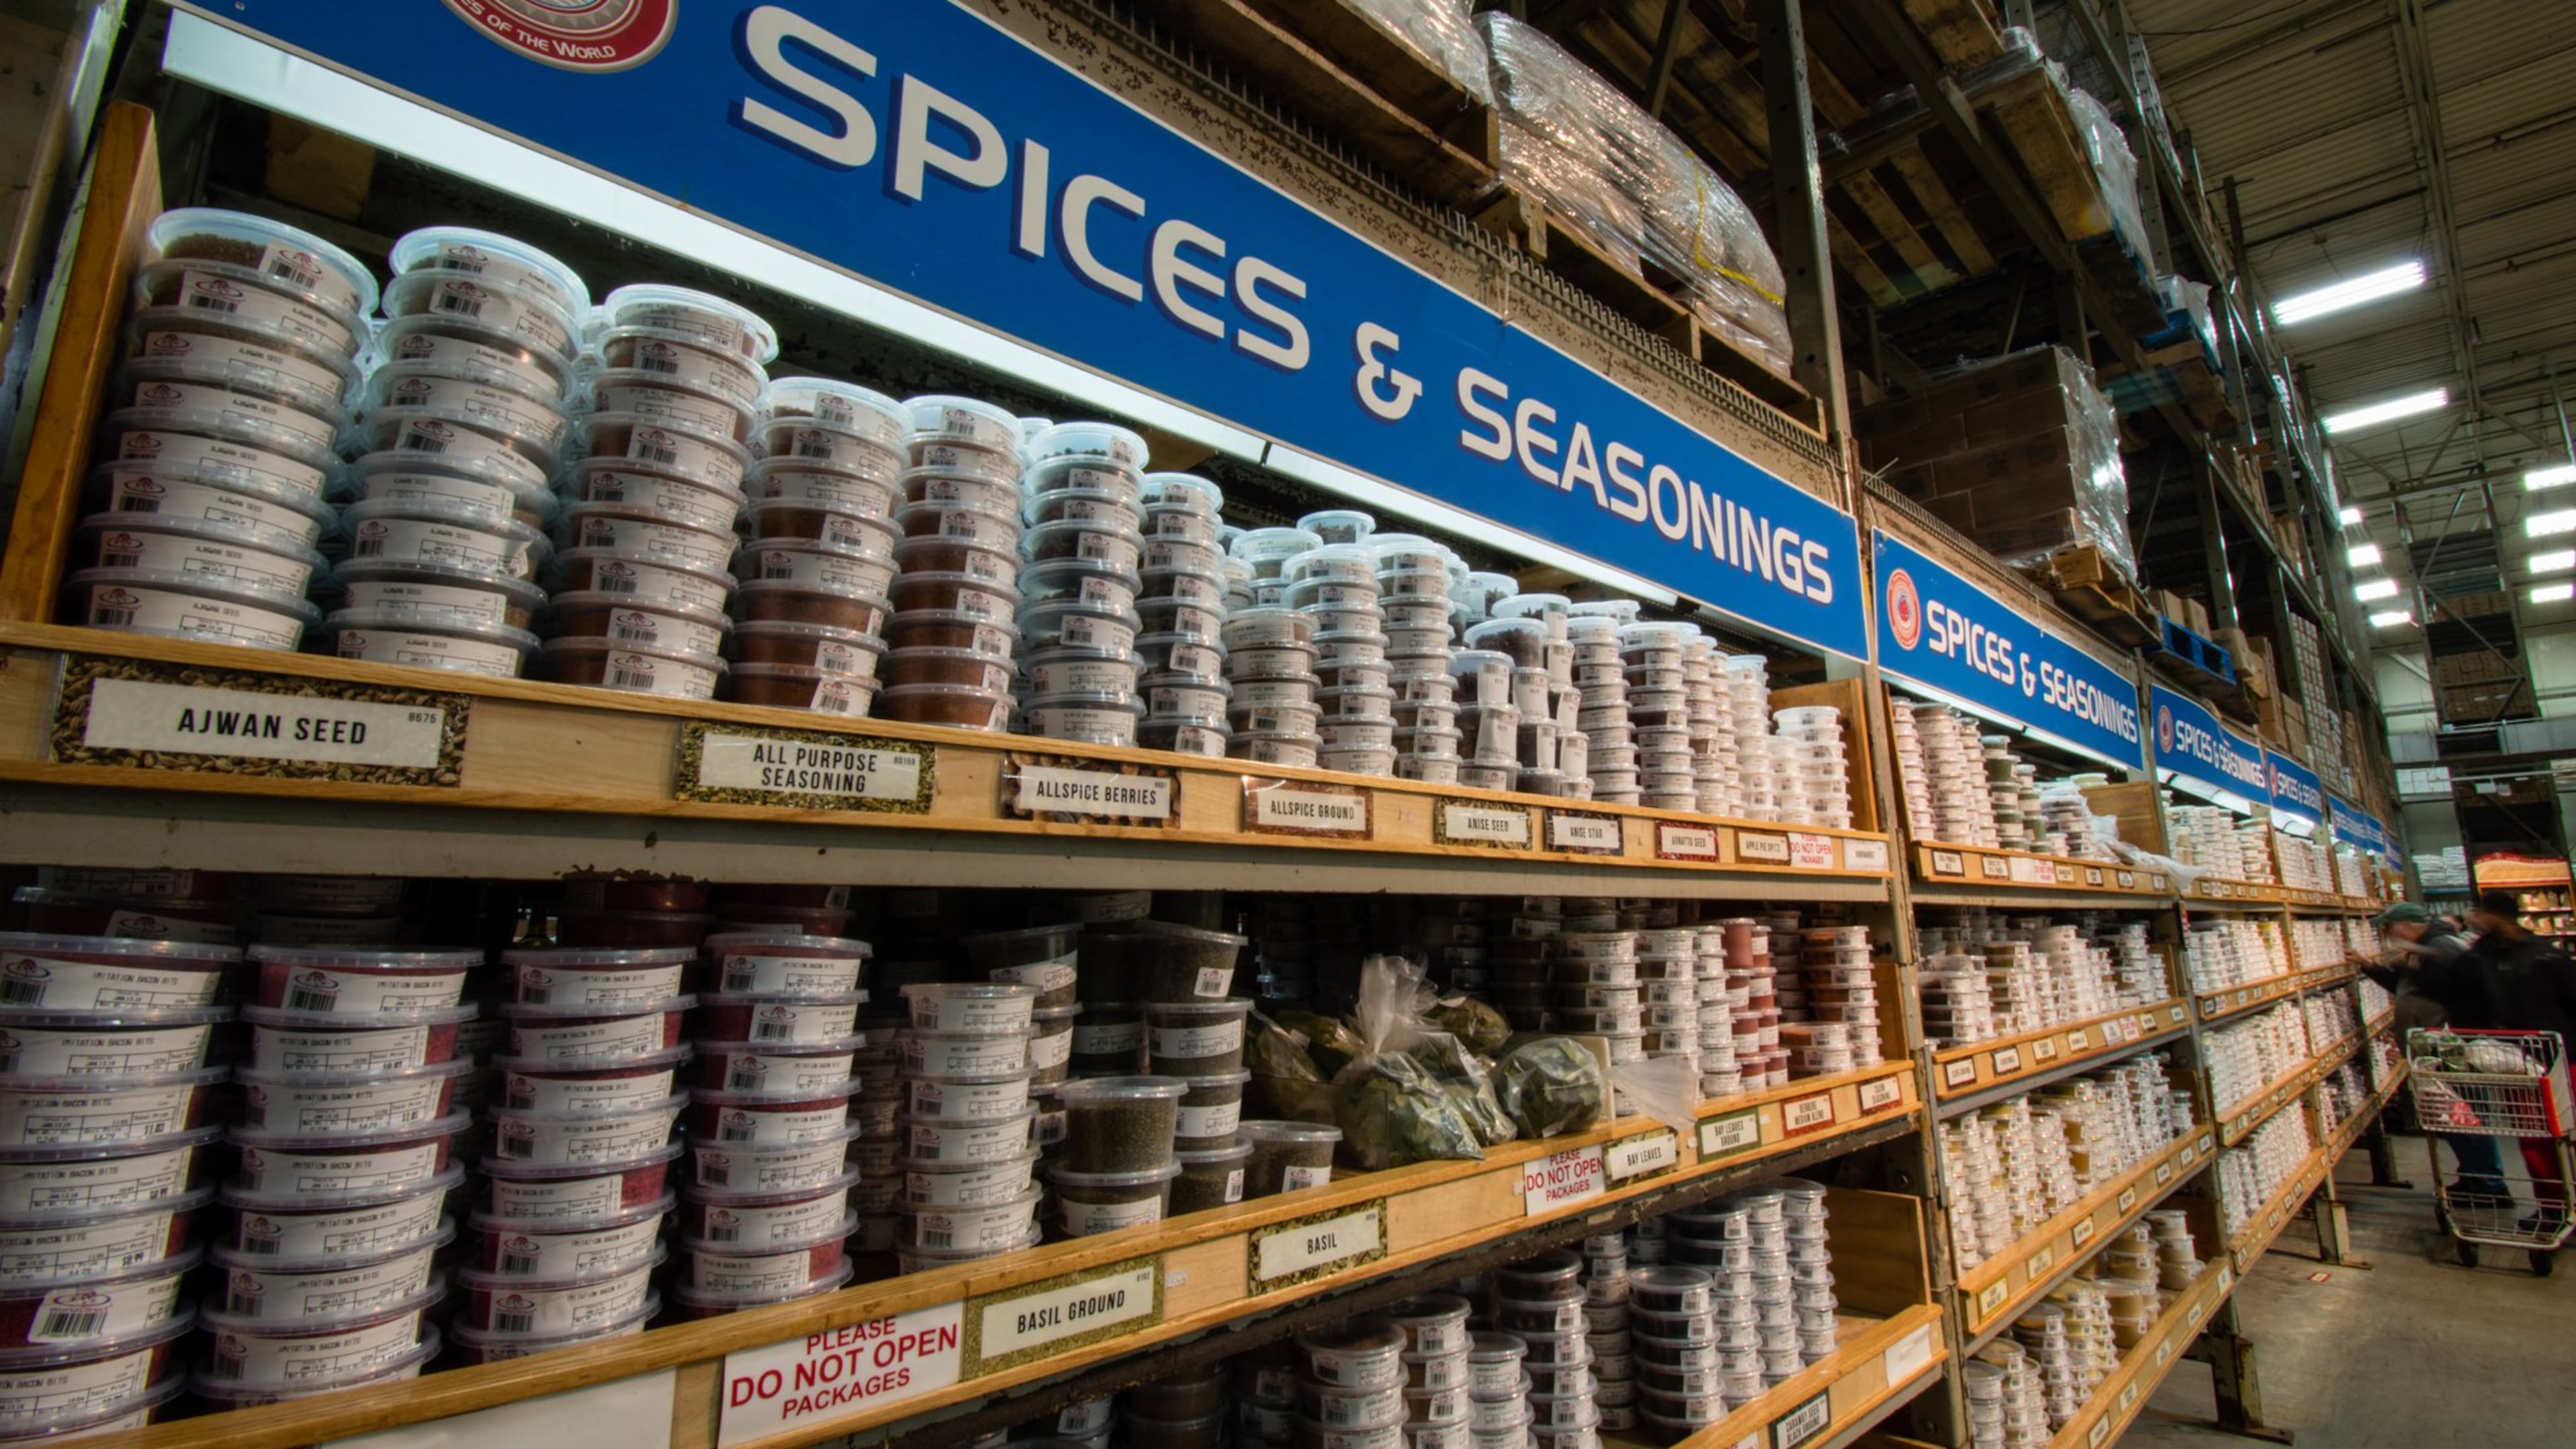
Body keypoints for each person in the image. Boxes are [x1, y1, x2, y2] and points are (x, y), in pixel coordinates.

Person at [2357, 902, 2510, 1200]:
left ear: (2405, 925)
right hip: (2439, 1046)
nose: (2386, 934)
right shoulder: (2428, 948)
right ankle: (2477, 1177)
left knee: (2464, 1114)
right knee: (2454, 1114)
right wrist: (2370, 966)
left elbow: (2466, 993)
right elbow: (2406, 986)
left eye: (2388, 928)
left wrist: (2454, 1035)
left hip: (2451, 1049)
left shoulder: (2440, 948)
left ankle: (2488, 1183)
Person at [2460, 892, 2576, 1228]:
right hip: (2515, 1062)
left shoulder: (2545, 956)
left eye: (2479, 912)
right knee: (2534, 1139)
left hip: (2561, 1056)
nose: (2473, 917)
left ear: (2497, 916)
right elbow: (2462, 998)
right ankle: (2553, 1208)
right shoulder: (2477, 957)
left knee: (2563, 1132)